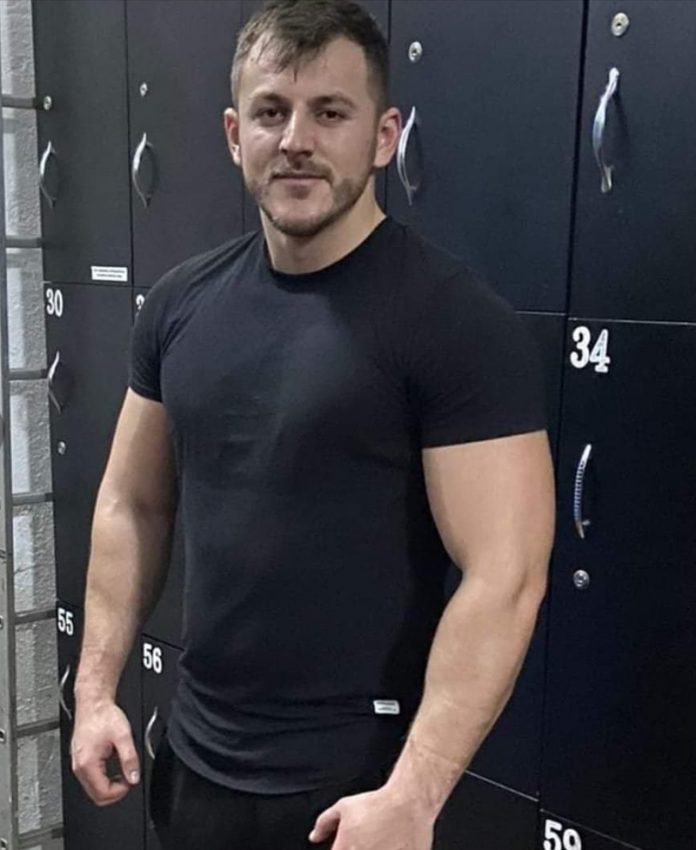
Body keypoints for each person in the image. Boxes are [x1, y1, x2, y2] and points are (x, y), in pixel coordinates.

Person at [70, 0, 555, 848]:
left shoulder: (455, 324)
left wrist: (414, 794)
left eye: (330, 113)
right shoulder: (178, 307)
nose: (296, 139)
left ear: (384, 137)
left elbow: (505, 574)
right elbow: (131, 503)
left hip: (359, 794)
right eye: (271, 112)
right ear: (234, 135)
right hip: (196, 771)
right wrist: (96, 692)